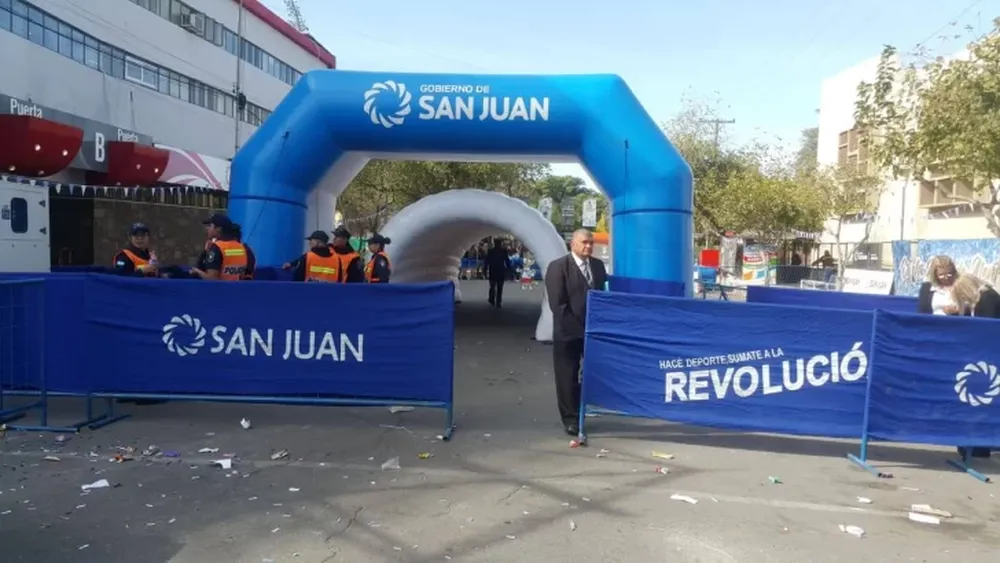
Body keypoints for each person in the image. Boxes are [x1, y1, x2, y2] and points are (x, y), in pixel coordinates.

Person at [544, 228, 608, 436]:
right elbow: (558, 306)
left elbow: (603, 297)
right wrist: (580, 331)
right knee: (567, 377)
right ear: (573, 244)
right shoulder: (558, 268)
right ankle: (570, 419)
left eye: (591, 243)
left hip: (594, 332)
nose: (588, 246)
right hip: (568, 334)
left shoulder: (598, 267)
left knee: (592, 373)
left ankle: (583, 409)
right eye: (584, 242)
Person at [190, 214, 252, 281]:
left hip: (220, 290)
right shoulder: (241, 247)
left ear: (219, 229)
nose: (207, 228)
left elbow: (212, 279)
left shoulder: (217, 247)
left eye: (210, 226)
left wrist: (197, 271)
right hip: (237, 289)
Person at [485, 239, 511, 307]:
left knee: (492, 286)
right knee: (500, 287)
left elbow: (486, 261)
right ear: (500, 244)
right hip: (500, 271)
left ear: (494, 243)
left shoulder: (490, 251)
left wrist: (485, 269)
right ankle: (498, 302)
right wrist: (509, 269)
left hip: (492, 270)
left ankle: (491, 299)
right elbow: (507, 261)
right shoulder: (503, 251)